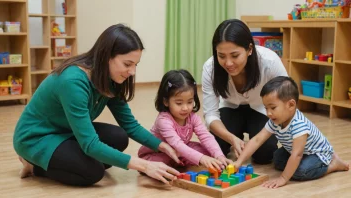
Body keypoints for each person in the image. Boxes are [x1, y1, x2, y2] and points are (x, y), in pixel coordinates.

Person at [13, 24, 181, 186]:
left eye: (135, 65)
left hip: (66, 131)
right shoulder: (73, 81)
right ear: (106, 57)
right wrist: (145, 165)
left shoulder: (112, 79)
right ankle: (34, 165)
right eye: (127, 64)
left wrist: (163, 146)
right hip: (36, 137)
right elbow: (90, 144)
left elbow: (130, 125)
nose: (132, 72)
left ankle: (68, 161)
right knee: (92, 172)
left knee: (119, 138)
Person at [232, 76, 349, 188]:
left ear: (291, 105)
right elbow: (257, 139)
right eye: (266, 108)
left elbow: (297, 155)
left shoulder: (299, 125)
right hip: (298, 151)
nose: (268, 113)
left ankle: (334, 165)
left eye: (273, 108)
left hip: (317, 155)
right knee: (277, 159)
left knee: (300, 172)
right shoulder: (275, 120)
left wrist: (283, 178)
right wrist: (239, 162)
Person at [202, 19, 288, 164]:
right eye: (221, 56)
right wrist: (231, 138)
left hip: (262, 110)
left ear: (249, 49)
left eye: (235, 55)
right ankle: (236, 139)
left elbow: (286, 102)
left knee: (264, 155)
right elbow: (210, 115)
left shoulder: (269, 61)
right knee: (214, 148)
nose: (228, 63)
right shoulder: (210, 68)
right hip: (230, 108)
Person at [138, 69, 234, 170]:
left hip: (180, 150)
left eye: (189, 102)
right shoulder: (163, 120)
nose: (185, 108)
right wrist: (201, 158)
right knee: (162, 161)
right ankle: (177, 162)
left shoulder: (193, 117)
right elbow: (178, 145)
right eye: (179, 103)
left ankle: (180, 161)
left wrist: (219, 156)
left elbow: (206, 136)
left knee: (206, 151)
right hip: (157, 153)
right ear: (166, 101)